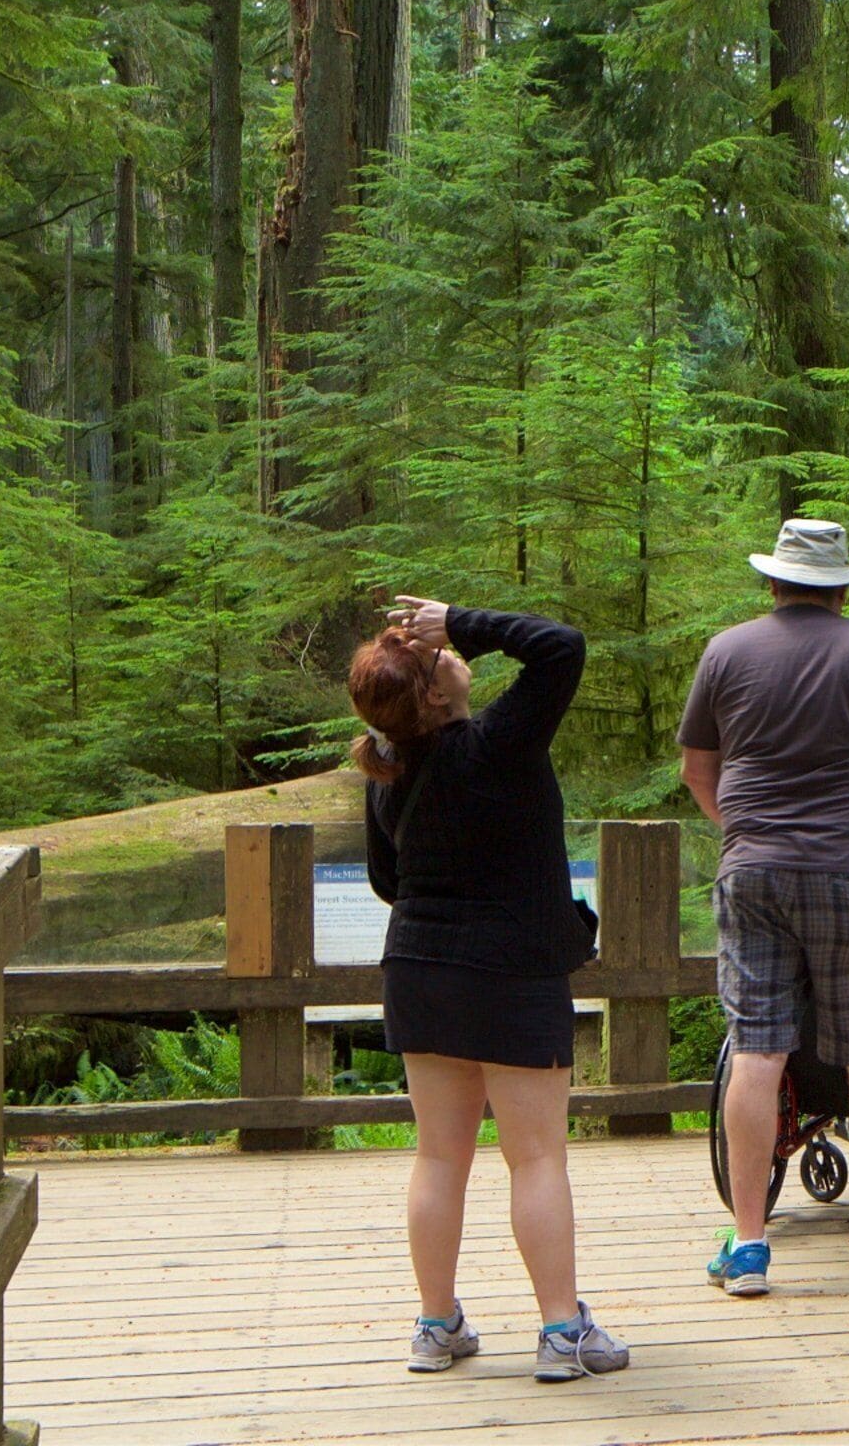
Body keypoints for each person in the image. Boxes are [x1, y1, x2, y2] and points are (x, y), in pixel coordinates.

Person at [355, 593, 631, 1383]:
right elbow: (561, 645)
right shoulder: (499, 744)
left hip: (421, 972)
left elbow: (386, 880)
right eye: (440, 658)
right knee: (537, 1157)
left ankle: (435, 1328)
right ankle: (561, 1333)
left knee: (440, 1158)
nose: (450, 652)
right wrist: (461, 620)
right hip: (513, 971)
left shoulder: (388, 768)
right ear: (437, 694)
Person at [679, 517, 849, 1293]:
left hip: (754, 873)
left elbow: (698, 769)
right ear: (843, 589)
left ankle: (751, 1244)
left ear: (773, 580)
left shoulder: (726, 651)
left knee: (758, 1048)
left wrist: (744, 832)